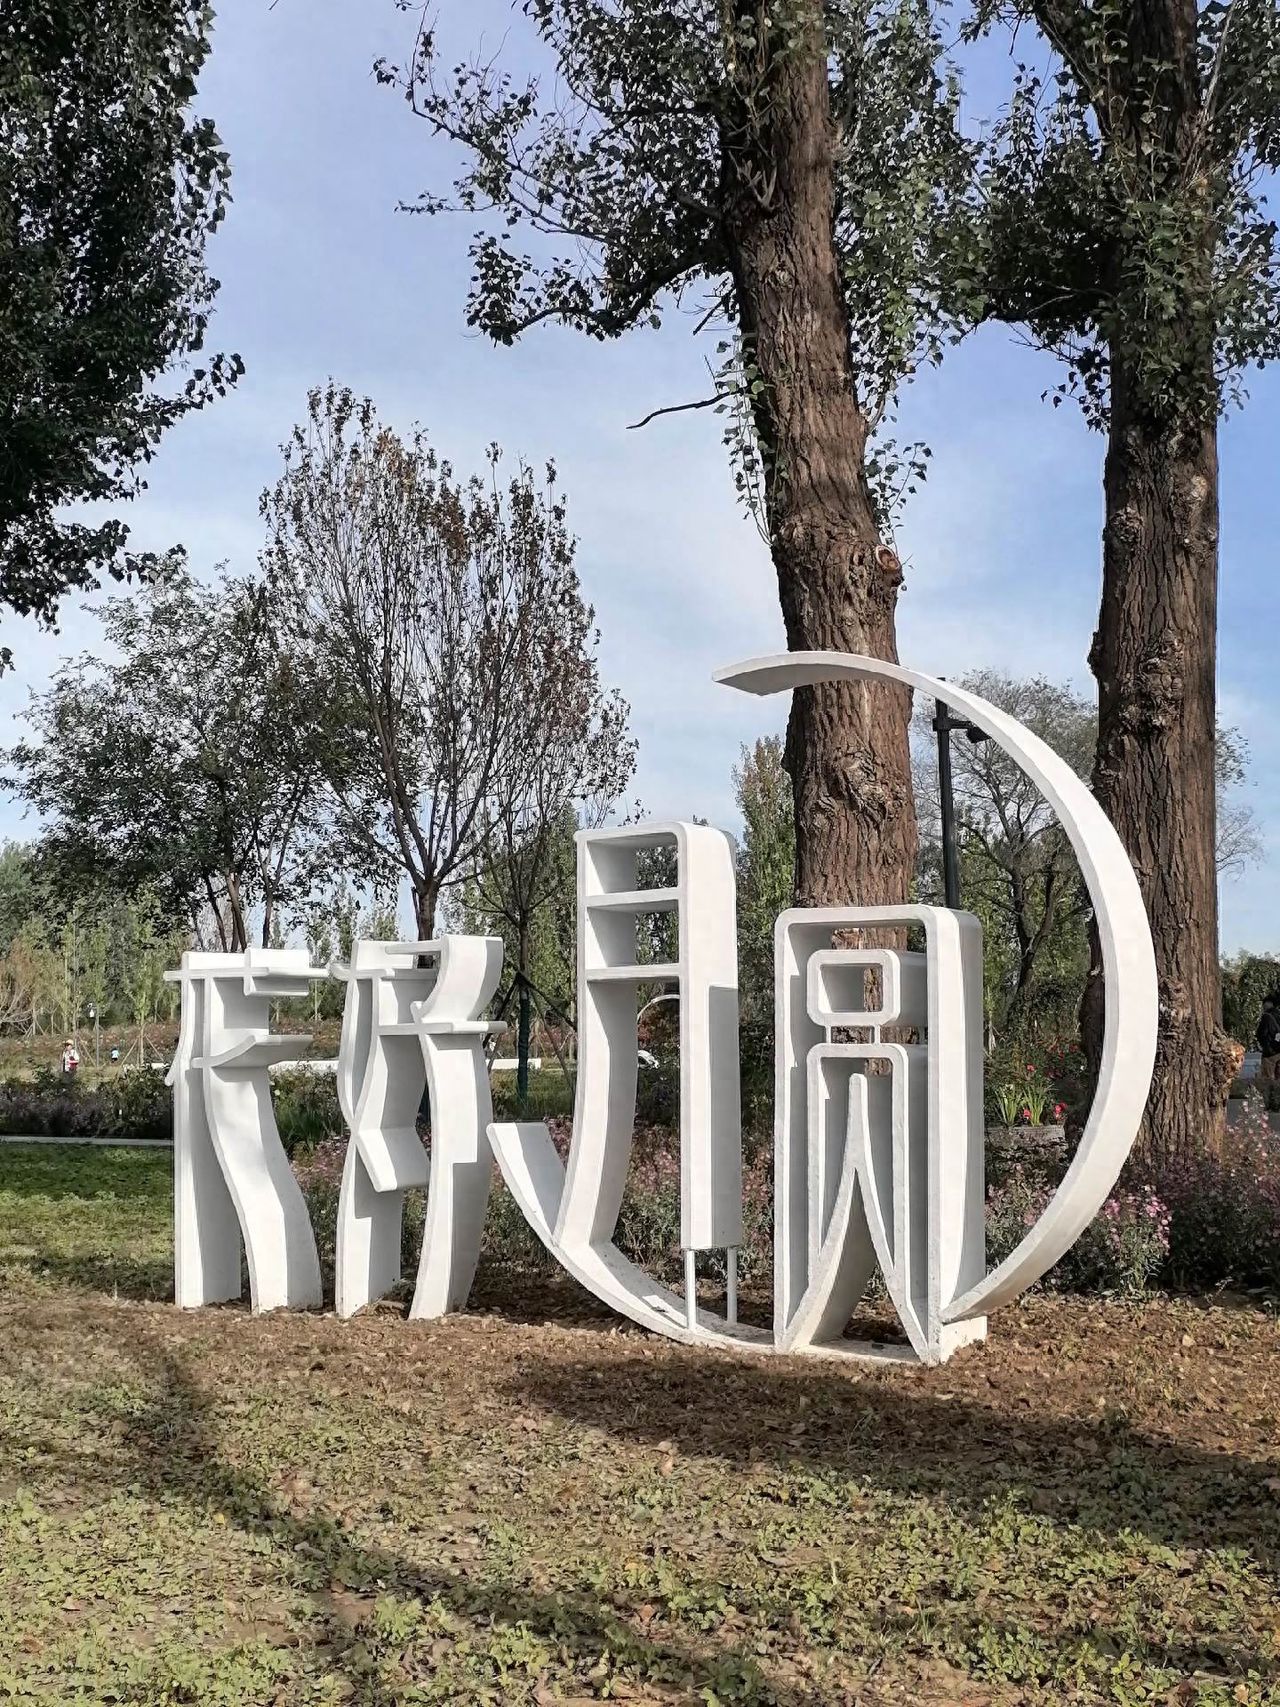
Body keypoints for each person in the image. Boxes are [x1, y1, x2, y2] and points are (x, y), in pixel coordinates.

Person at [1258, 991, 1280, 1086]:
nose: (1263, 1005)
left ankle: (1270, 1099)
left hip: (1270, 1053)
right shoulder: (1279, 1015)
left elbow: (1261, 1034)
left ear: (1270, 1003)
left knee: (1267, 1080)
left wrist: (1265, 1047)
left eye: (1265, 1003)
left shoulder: (1266, 1016)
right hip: (1279, 1050)